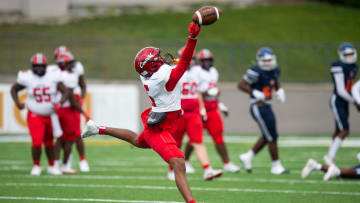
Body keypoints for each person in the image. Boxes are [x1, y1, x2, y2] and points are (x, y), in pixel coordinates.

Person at [81, 22, 200, 203]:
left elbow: (174, 66)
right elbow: (184, 63)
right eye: (157, 58)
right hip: (159, 128)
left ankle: (98, 128)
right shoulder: (161, 78)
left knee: (137, 140)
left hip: (160, 119)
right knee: (179, 163)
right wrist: (192, 38)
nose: (161, 58)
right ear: (151, 66)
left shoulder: (150, 75)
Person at [168, 47, 223, 181]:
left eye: (192, 58)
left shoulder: (198, 72)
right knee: (176, 143)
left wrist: (202, 109)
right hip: (178, 113)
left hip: (194, 113)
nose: (190, 61)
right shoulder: (171, 70)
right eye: (188, 58)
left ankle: (207, 170)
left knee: (198, 141)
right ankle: (172, 170)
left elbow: (198, 92)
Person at [183, 49, 240, 173]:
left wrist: (220, 104)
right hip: (198, 108)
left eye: (209, 60)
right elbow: (195, 91)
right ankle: (185, 162)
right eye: (205, 60)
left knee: (218, 136)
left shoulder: (214, 71)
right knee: (195, 138)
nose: (207, 62)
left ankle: (227, 163)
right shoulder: (196, 72)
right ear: (200, 61)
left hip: (213, 108)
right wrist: (204, 99)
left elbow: (214, 90)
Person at [10, 53, 67, 176]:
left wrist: (60, 103)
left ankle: (52, 166)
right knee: (37, 142)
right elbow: (14, 89)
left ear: (46, 66)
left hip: (50, 114)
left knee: (49, 142)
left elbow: (65, 91)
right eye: (36, 66)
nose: (39, 68)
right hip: (35, 114)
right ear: (32, 66)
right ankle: (36, 165)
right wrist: (17, 102)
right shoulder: (27, 77)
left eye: (41, 66)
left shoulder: (53, 76)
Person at [237, 47, 288, 174]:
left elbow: (274, 81)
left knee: (268, 135)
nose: (268, 63)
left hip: (267, 105)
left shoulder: (275, 69)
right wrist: (253, 91)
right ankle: (276, 165)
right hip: (258, 106)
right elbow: (241, 85)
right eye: (265, 61)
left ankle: (248, 157)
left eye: (269, 60)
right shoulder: (255, 71)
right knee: (272, 136)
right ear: (259, 60)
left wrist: (279, 90)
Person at [53, 46, 90, 172]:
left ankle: (57, 165)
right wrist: (84, 112)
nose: (72, 65)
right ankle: (63, 165)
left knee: (62, 138)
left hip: (62, 107)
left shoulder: (57, 72)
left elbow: (81, 86)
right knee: (68, 139)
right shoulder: (64, 75)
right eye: (69, 63)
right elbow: (69, 95)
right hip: (66, 109)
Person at [325, 42, 358, 165]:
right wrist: (355, 101)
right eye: (346, 54)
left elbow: (350, 87)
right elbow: (340, 90)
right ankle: (330, 157)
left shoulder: (354, 66)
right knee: (345, 130)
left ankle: (330, 156)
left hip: (345, 101)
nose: (349, 56)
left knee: (339, 129)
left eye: (351, 54)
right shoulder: (338, 66)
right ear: (341, 55)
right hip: (338, 100)